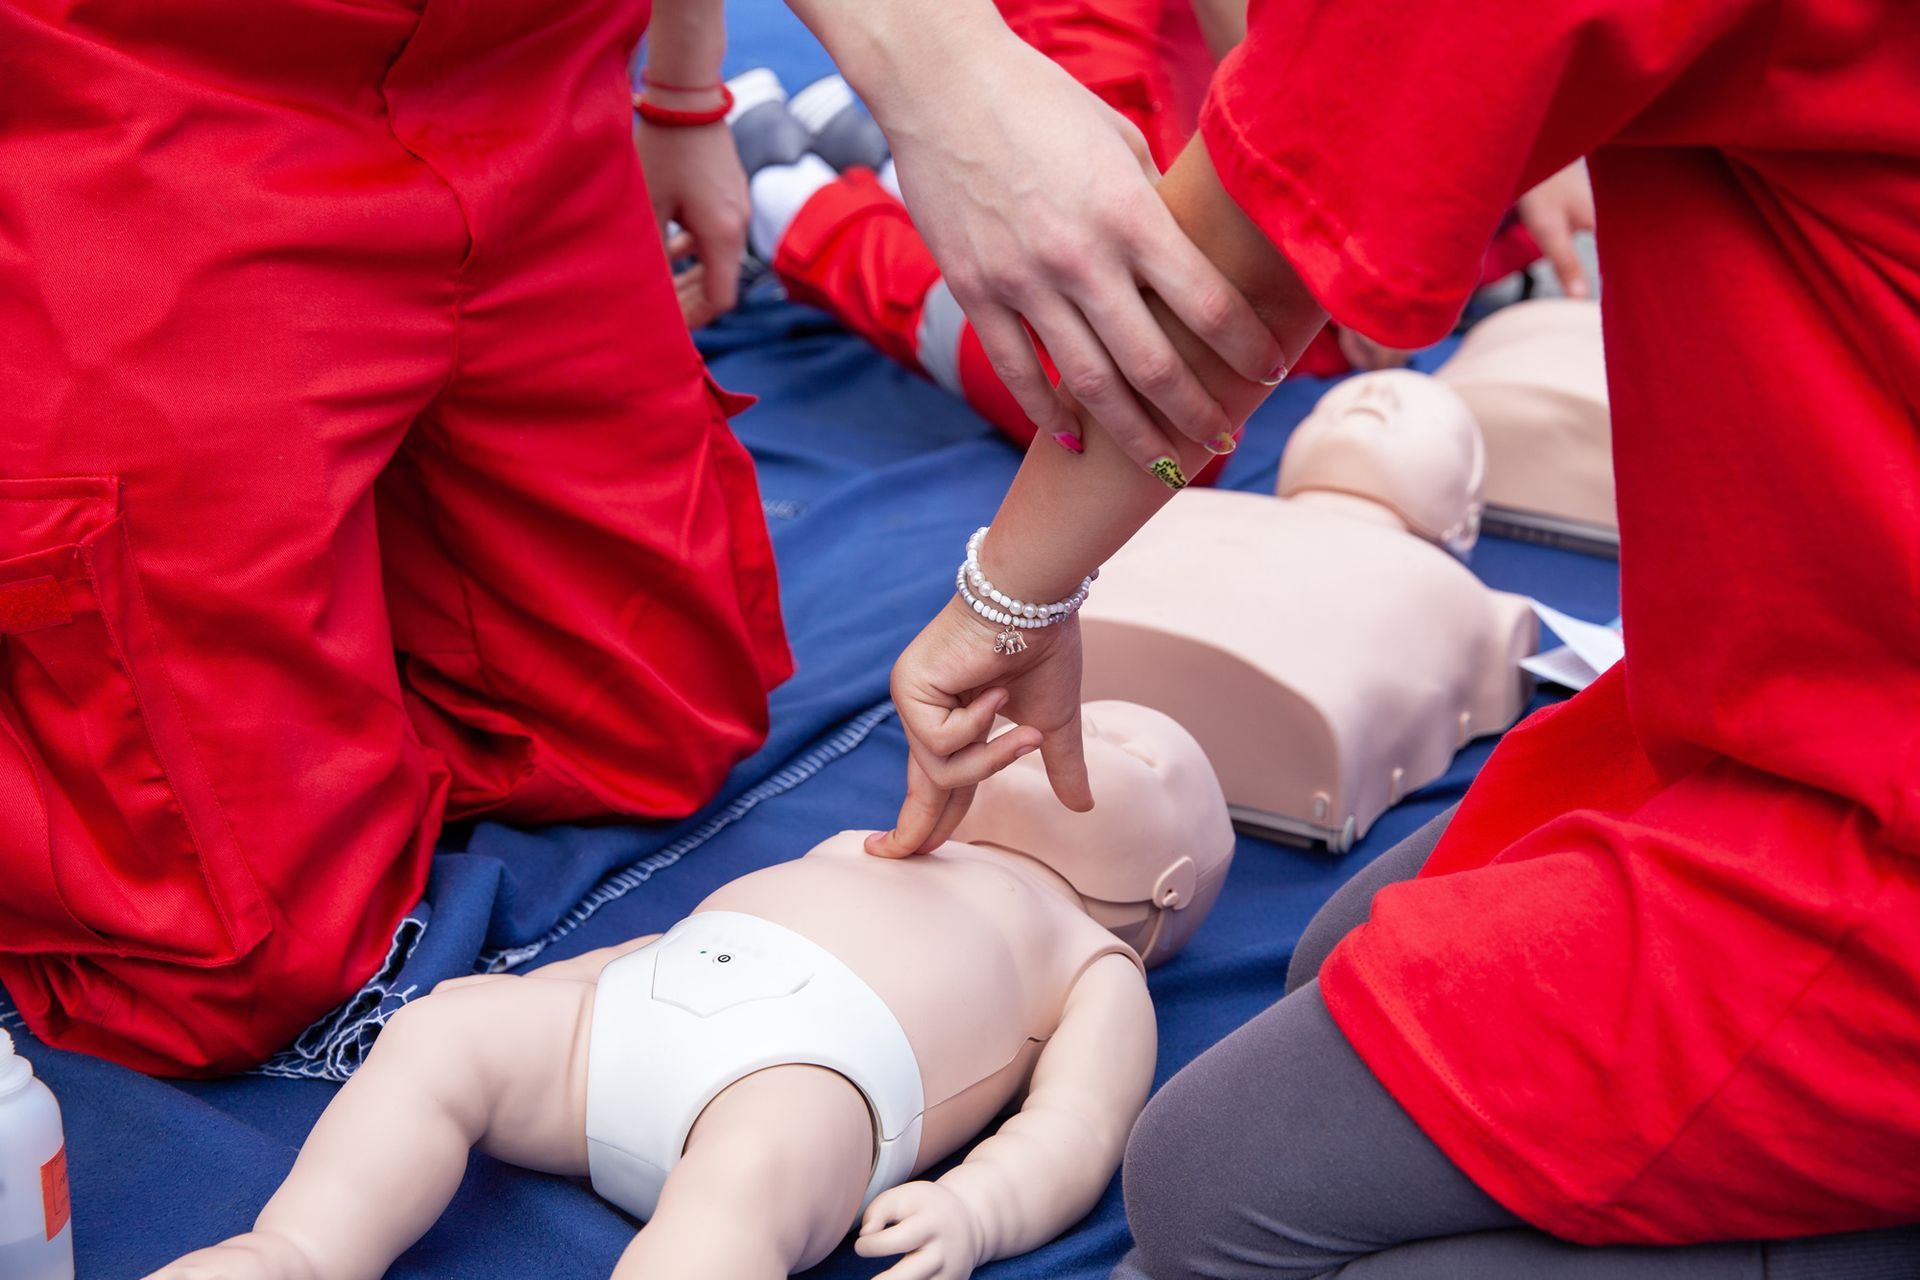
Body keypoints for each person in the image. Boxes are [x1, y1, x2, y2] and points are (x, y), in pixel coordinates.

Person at [823, 0, 1920, 1272]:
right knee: (1339, 961)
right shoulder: (1311, 570)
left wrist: (1008, 597)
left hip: (1866, 787)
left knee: (1204, 1183)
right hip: (1810, 669)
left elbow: (1243, 258)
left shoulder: (1447, 615)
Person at [0, 0, 794, 1075]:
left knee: (648, 728)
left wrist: (684, 92)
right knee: (231, 959)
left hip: (521, 76)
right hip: (150, 84)